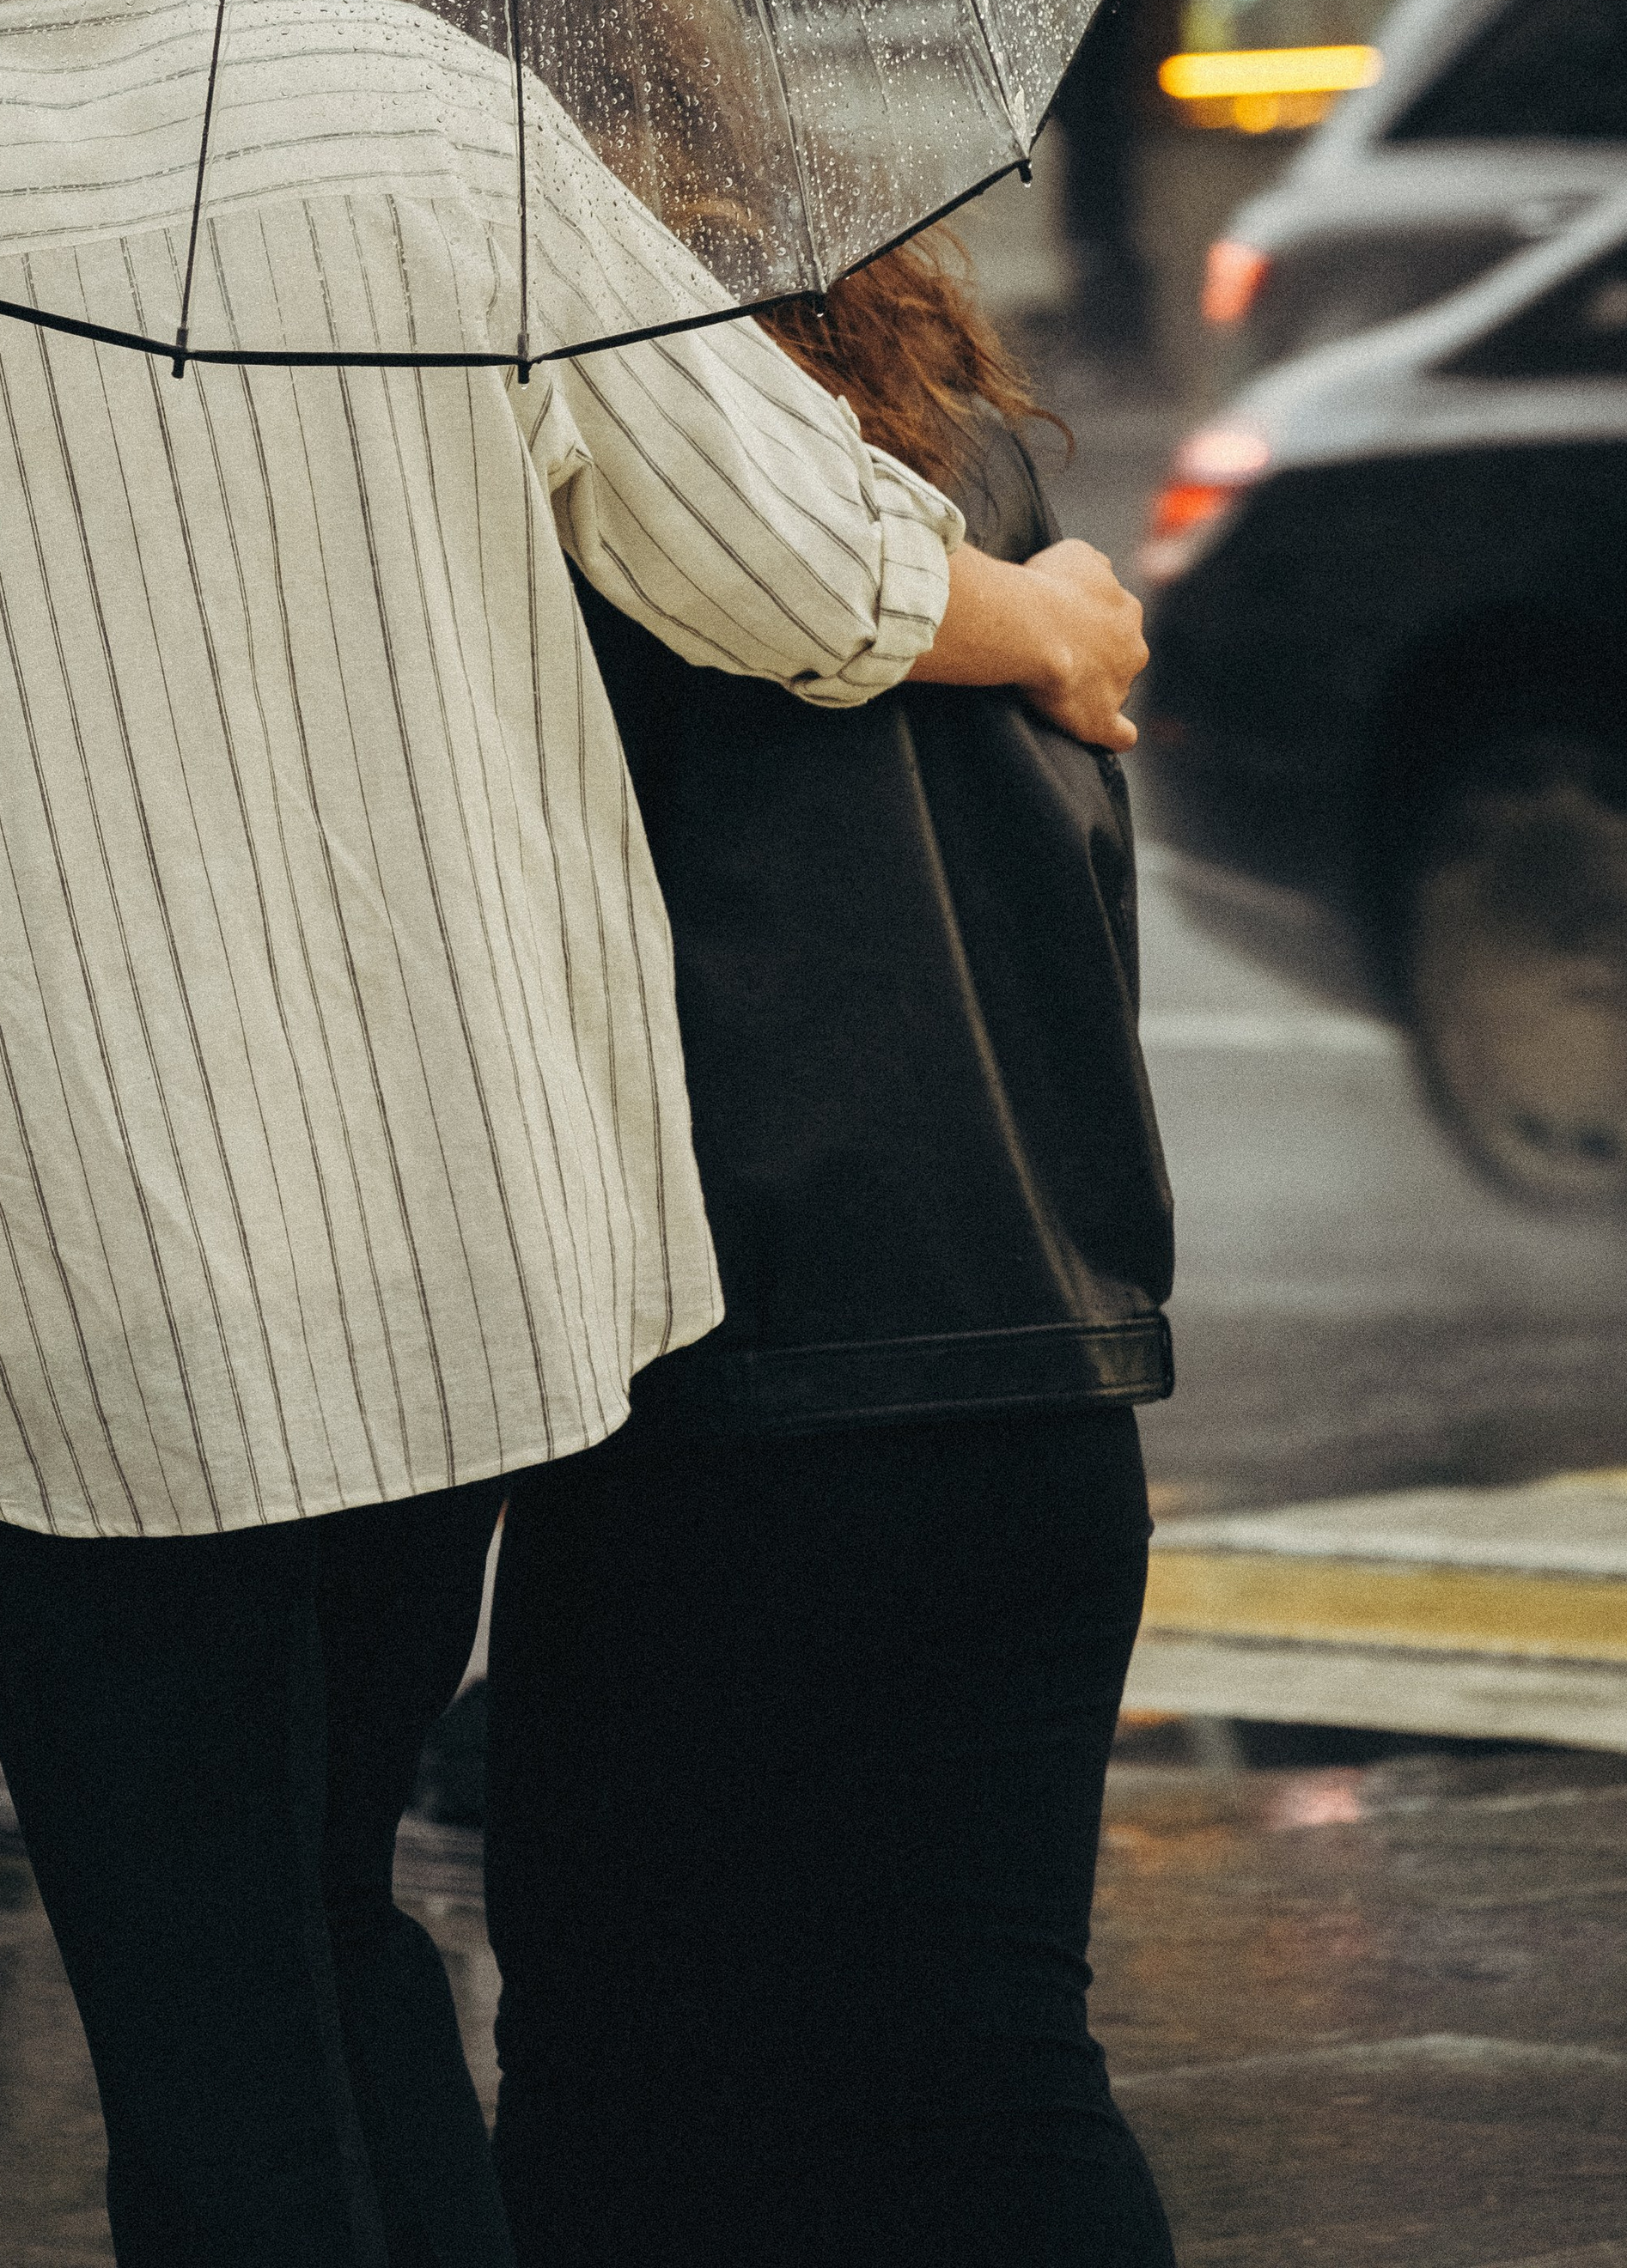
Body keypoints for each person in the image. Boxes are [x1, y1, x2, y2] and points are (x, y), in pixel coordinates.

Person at [0, 0, 1150, 2268]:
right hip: (461, 1236)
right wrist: (1035, 609)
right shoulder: (425, 121)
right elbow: (780, 575)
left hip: (66, 1261)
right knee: (342, 1884)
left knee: (218, 1992)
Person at [484, 240, 1177, 2268]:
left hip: (733, 1376)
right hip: (1043, 1356)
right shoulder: (966, 460)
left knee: (624, 2061)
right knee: (988, 2054)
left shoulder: (549, 476)